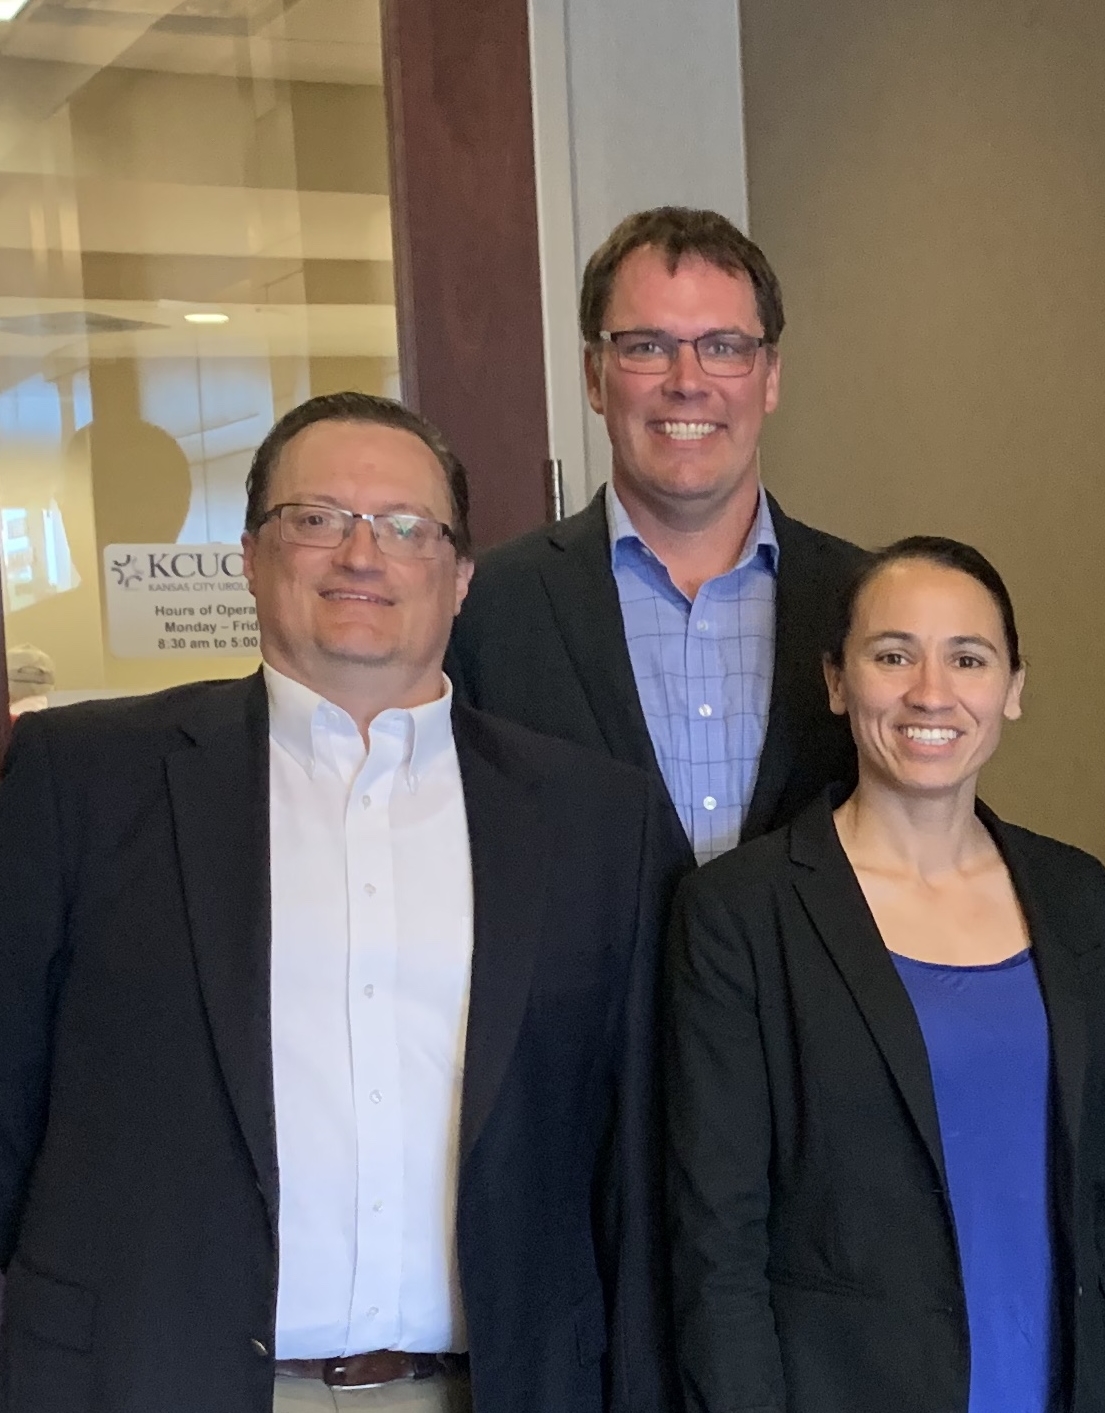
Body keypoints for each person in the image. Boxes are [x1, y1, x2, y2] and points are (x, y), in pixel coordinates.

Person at [0, 392, 688, 1412]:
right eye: (316, 519)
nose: (361, 555)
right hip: (150, 1380)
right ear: (248, 554)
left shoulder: (597, 824)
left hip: (490, 1388)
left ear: (459, 577)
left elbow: (634, 1171)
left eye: (406, 528)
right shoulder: (83, 780)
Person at [665, 537, 1105, 1413]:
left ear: (1013, 687)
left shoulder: (1073, 896)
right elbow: (717, 1241)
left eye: (968, 658)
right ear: (837, 681)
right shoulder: (740, 912)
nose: (930, 692)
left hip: (1060, 1382)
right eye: (892, 654)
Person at [448, 207, 866, 863]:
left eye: (724, 347)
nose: (687, 383)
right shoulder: (487, 610)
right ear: (594, 375)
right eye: (647, 346)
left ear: (770, 377)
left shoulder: (860, 602)